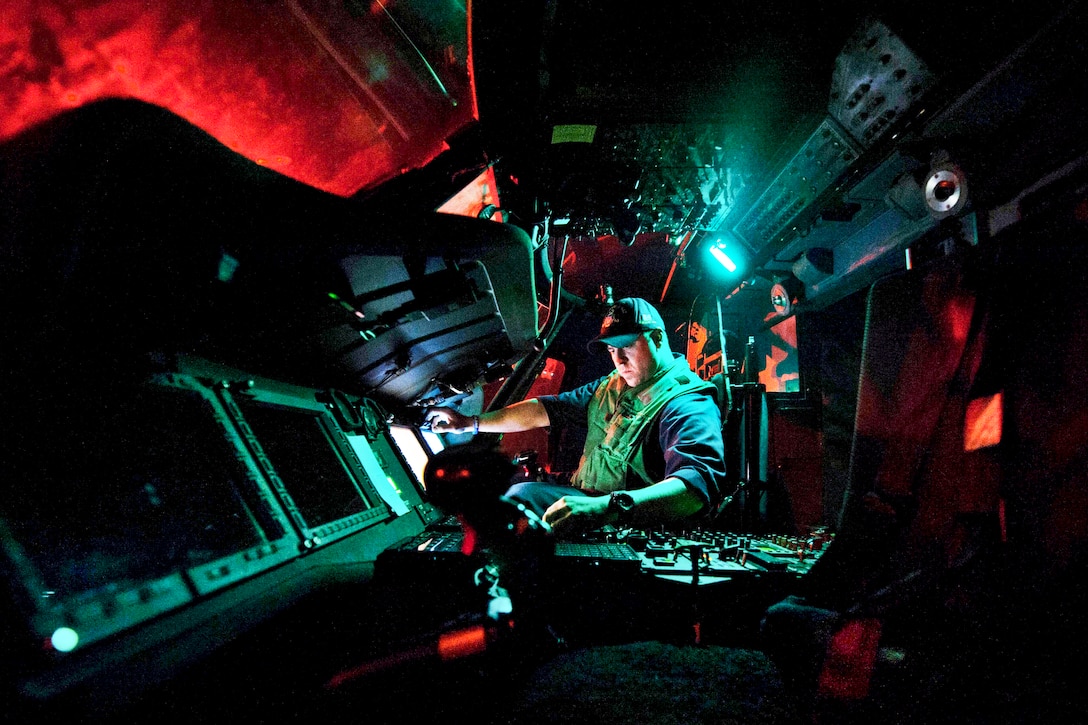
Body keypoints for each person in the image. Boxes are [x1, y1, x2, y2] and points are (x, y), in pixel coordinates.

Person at [424, 297, 726, 536]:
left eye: (626, 347)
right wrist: (470, 423)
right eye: (611, 350)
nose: (618, 360)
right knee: (510, 492)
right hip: (592, 500)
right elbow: (545, 409)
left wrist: (606, 508)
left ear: (658, 339)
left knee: (520, 501)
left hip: (630, 523)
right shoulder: (614, 385)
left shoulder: (687, 402)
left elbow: (695, 487)